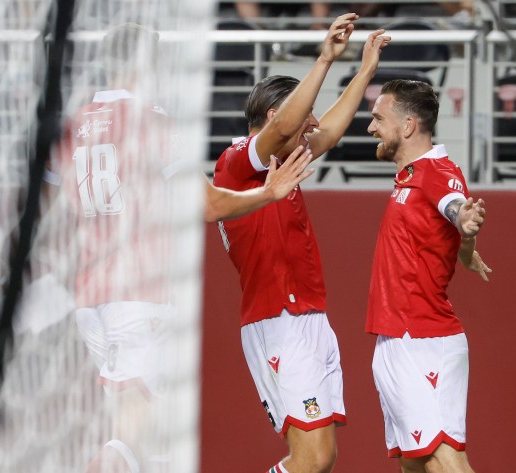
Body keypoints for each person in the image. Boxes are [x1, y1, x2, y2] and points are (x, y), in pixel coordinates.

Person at [42, 22, 314, 473]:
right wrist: (269, 192)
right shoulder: (154, 120)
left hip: (90, 300)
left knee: (155, 442)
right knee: (127, 440)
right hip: (140, 297)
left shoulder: (75, 125)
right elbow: (208, 205)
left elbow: (53, 211)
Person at [212, 13, 389, 473]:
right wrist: (325, 59)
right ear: (275, 117)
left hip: (307, 317)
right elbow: (293, 126)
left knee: (321, 458)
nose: (311, 122)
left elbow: (328, 129)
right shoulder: (237, 164)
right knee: (310, 459)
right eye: (301, 113)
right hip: (278, 320)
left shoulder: (284, 157)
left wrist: (365, 67)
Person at [364, 79, 491, 472]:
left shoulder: (437, 170)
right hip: (397, 337)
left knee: (444, 461)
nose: (371, 128)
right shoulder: (410, 174)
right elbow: (451, 223)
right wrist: (466, 249)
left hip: (423, 339)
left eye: (378, 118)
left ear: (407, 126)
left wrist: (463, 220)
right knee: (414, 463)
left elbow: (454, 205)